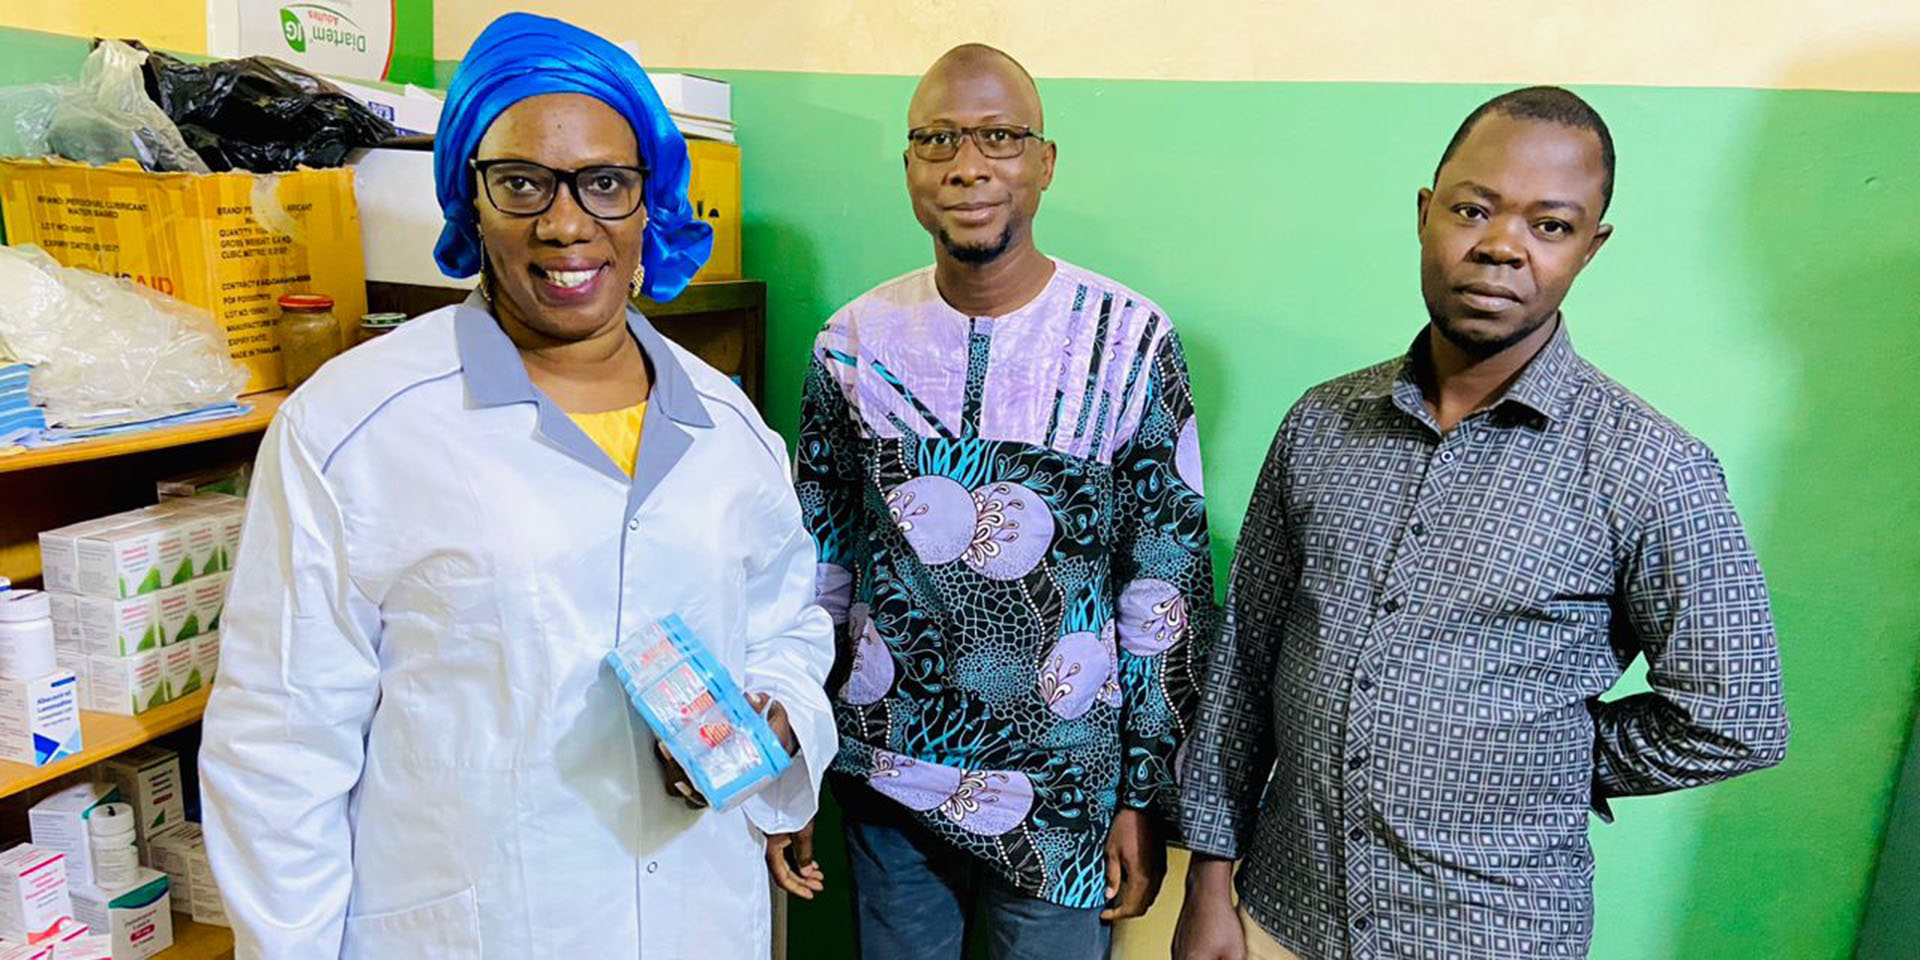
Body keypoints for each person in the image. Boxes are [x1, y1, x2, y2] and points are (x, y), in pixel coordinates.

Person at [198, 14, 834, 960]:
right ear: (472, 198)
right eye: (522, 182)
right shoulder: (355, 426)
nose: (566, 222)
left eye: (606, 183)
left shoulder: (728, 427)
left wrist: (776, 717)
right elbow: (280, 748)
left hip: (699, 919)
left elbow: (789, 623)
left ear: (649, 201)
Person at [1172, 86, 1790, 960]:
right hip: (1283, 913)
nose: (1501, 246)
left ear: (1590, 249)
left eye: (1551, 226)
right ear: (1427, 215)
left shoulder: (1651, 467)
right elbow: (1248, 657)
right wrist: (1209, 882)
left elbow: (1738, 715)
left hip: (1492, 931)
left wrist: (1550, 756)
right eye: (1473, 209)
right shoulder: (1322, 423)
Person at [765, 43, 1216, 960]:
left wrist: (1143, 793)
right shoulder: (850, 344)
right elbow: (820, 566)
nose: (967, 165)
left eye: (1000, 137)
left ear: (1045, 163)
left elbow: (1163, 588)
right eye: (938, 140)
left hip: (1064, 791)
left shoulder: (1129, 340)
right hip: (887, 773)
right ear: (908, 170)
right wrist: (797, 767)